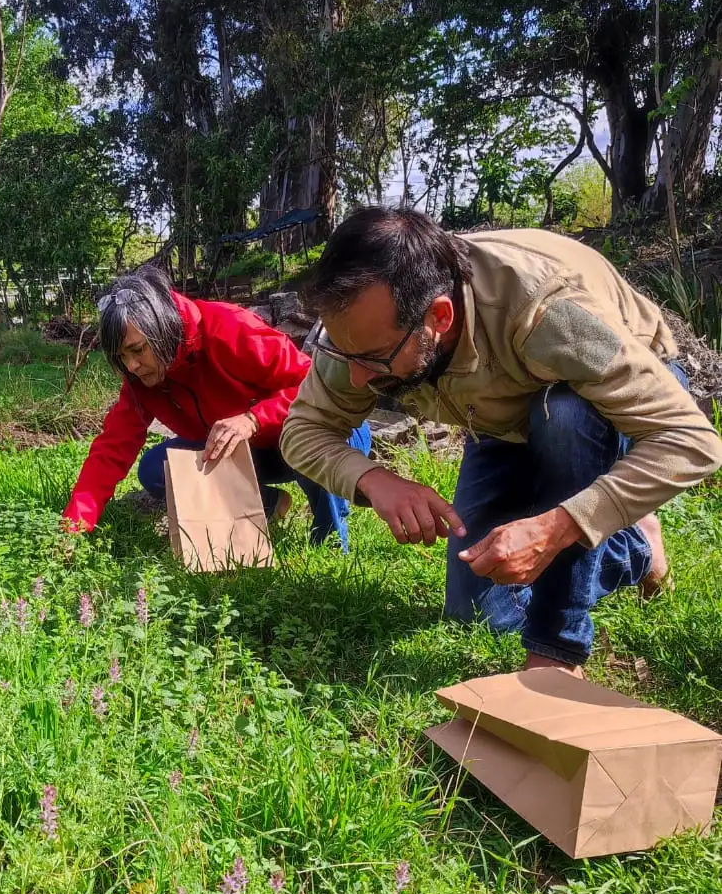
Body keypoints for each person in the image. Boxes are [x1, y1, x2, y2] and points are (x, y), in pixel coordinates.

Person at [281, 206, 722, 672]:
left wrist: (560, 527)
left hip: (610, 395)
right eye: (345, 353)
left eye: (372, 357)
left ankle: (556, 646)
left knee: (566, 416)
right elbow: (302, 431)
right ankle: (634, 544)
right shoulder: (360, 330)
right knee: (479, 609)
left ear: (440, 316)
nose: (355, 376)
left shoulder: (548, 312)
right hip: (500, 421)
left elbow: (692, 440)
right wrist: (373, 478)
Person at [63, 266, 372, 545]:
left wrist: (253, 419)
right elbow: (112, 448)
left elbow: (314, 388)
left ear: (160, 329)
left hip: (323, 431)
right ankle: (269, 504)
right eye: (121, 357)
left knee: (309, 437)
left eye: (137, 350)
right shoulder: (142, 379)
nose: (131, 366)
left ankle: (329, 542)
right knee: (158, 468)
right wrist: (74, 526)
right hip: (255, 452)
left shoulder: (227, 326)